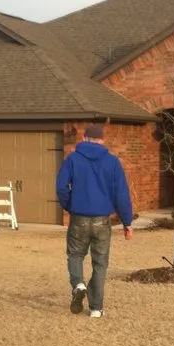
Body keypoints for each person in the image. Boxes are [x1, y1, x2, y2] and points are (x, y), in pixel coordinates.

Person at [56, 124, 134, 318]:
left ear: (84, 139)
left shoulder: (72, 159)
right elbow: (121, 194)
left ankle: (78, 285)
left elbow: (61, 187)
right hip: (102, 220)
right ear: (102, 140)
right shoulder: (112, 162)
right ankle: (96, 309)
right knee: (100, 264)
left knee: (75, 255)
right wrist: (127, 222)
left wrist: (69, 205)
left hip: (79, 218)